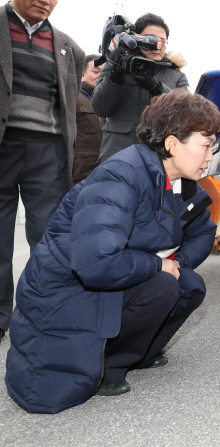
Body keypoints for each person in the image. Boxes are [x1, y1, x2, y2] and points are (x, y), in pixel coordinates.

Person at [5, 89, 220, 414]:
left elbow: (204, 229)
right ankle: (105, 365)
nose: (210, 157)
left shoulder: (174, 180)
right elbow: (95, 263)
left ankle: (131, 355)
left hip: (97, 281)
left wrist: (176, 264)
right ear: (173, 144)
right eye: (205, 146)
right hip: (64, 293)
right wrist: (156, 265)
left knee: (188, 284)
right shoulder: (121, 176)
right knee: (163, 284)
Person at [0, 0, 85, 345]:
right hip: (4, 143)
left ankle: (46, 312)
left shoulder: (69, 47)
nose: (46, 0)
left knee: (49, 239)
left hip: (48, 149)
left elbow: (67, 102)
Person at [93, 12, 189, 163]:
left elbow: (185, 115)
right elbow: (100, 109)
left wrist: (157, 88)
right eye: (149, 40)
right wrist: (116, 76)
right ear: (136, 39)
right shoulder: (116, 65)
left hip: (158, 158)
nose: (156, 45)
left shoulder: (177, 76)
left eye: (162, 41)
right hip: (116, 154)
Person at [73, 54, 105, 184]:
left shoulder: (106, 102)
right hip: (79, 174)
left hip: (100, 172)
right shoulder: (74, 98)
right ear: (82, 74)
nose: (100, 76)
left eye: (104, 72)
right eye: (95, 71)